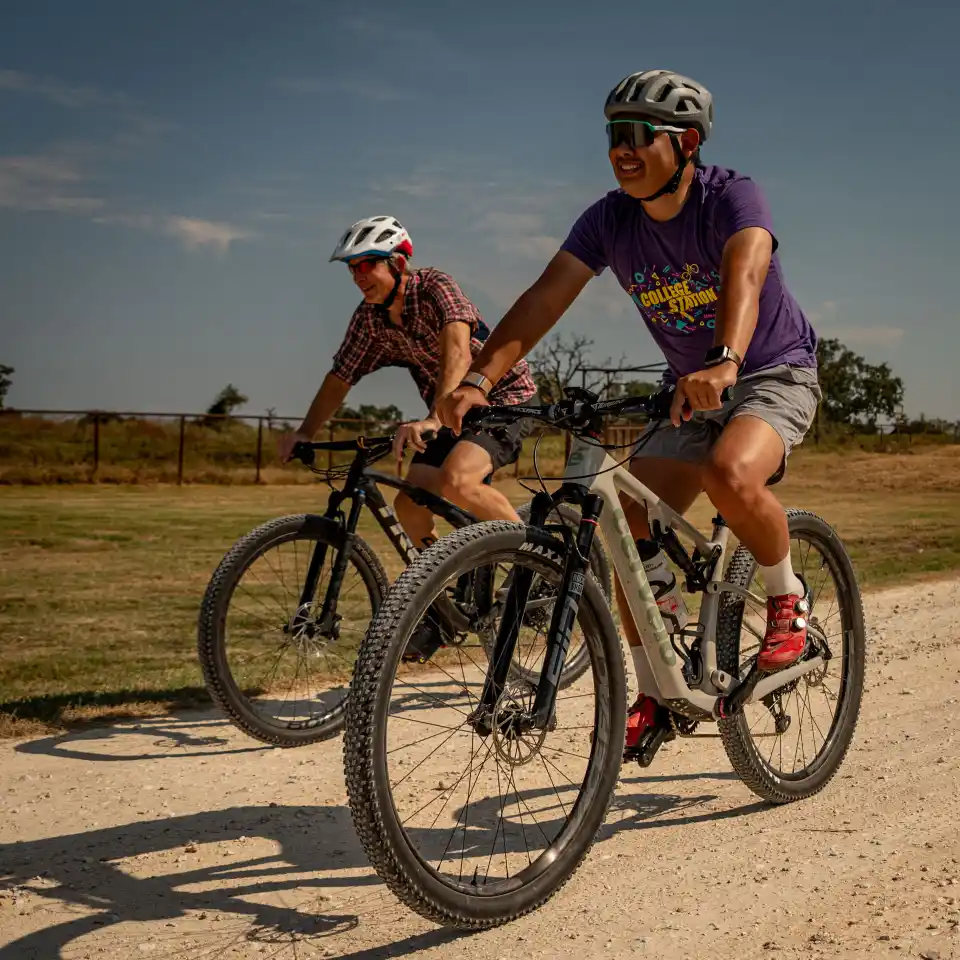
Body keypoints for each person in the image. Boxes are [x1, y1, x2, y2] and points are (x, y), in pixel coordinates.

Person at [436, 70, 821, 750]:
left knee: (730, 474)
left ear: (688, 143)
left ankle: (788, 600)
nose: (623, 148)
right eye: (614, 134)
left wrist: (726, 358)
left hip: (769, 370)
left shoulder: (730, 195)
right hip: (687, 388)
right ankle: (656, 684)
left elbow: (746, 269)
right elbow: (546, 295)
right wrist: (480, 378)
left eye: (640, 134)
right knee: (626, 521)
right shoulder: (608, 219)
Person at [277, 216, 538, 659]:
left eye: (367, 264)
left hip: (502, 399)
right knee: (409, 505)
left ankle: (535, 566)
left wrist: (434, 417)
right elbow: (341, 376)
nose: (358, 276)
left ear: (398, 264)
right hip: (445, 413)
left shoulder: (434, 287)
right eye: (352, 268)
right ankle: (442, 603)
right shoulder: (370, 321)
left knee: (459, 481)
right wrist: (305, 432)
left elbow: (458, 350)